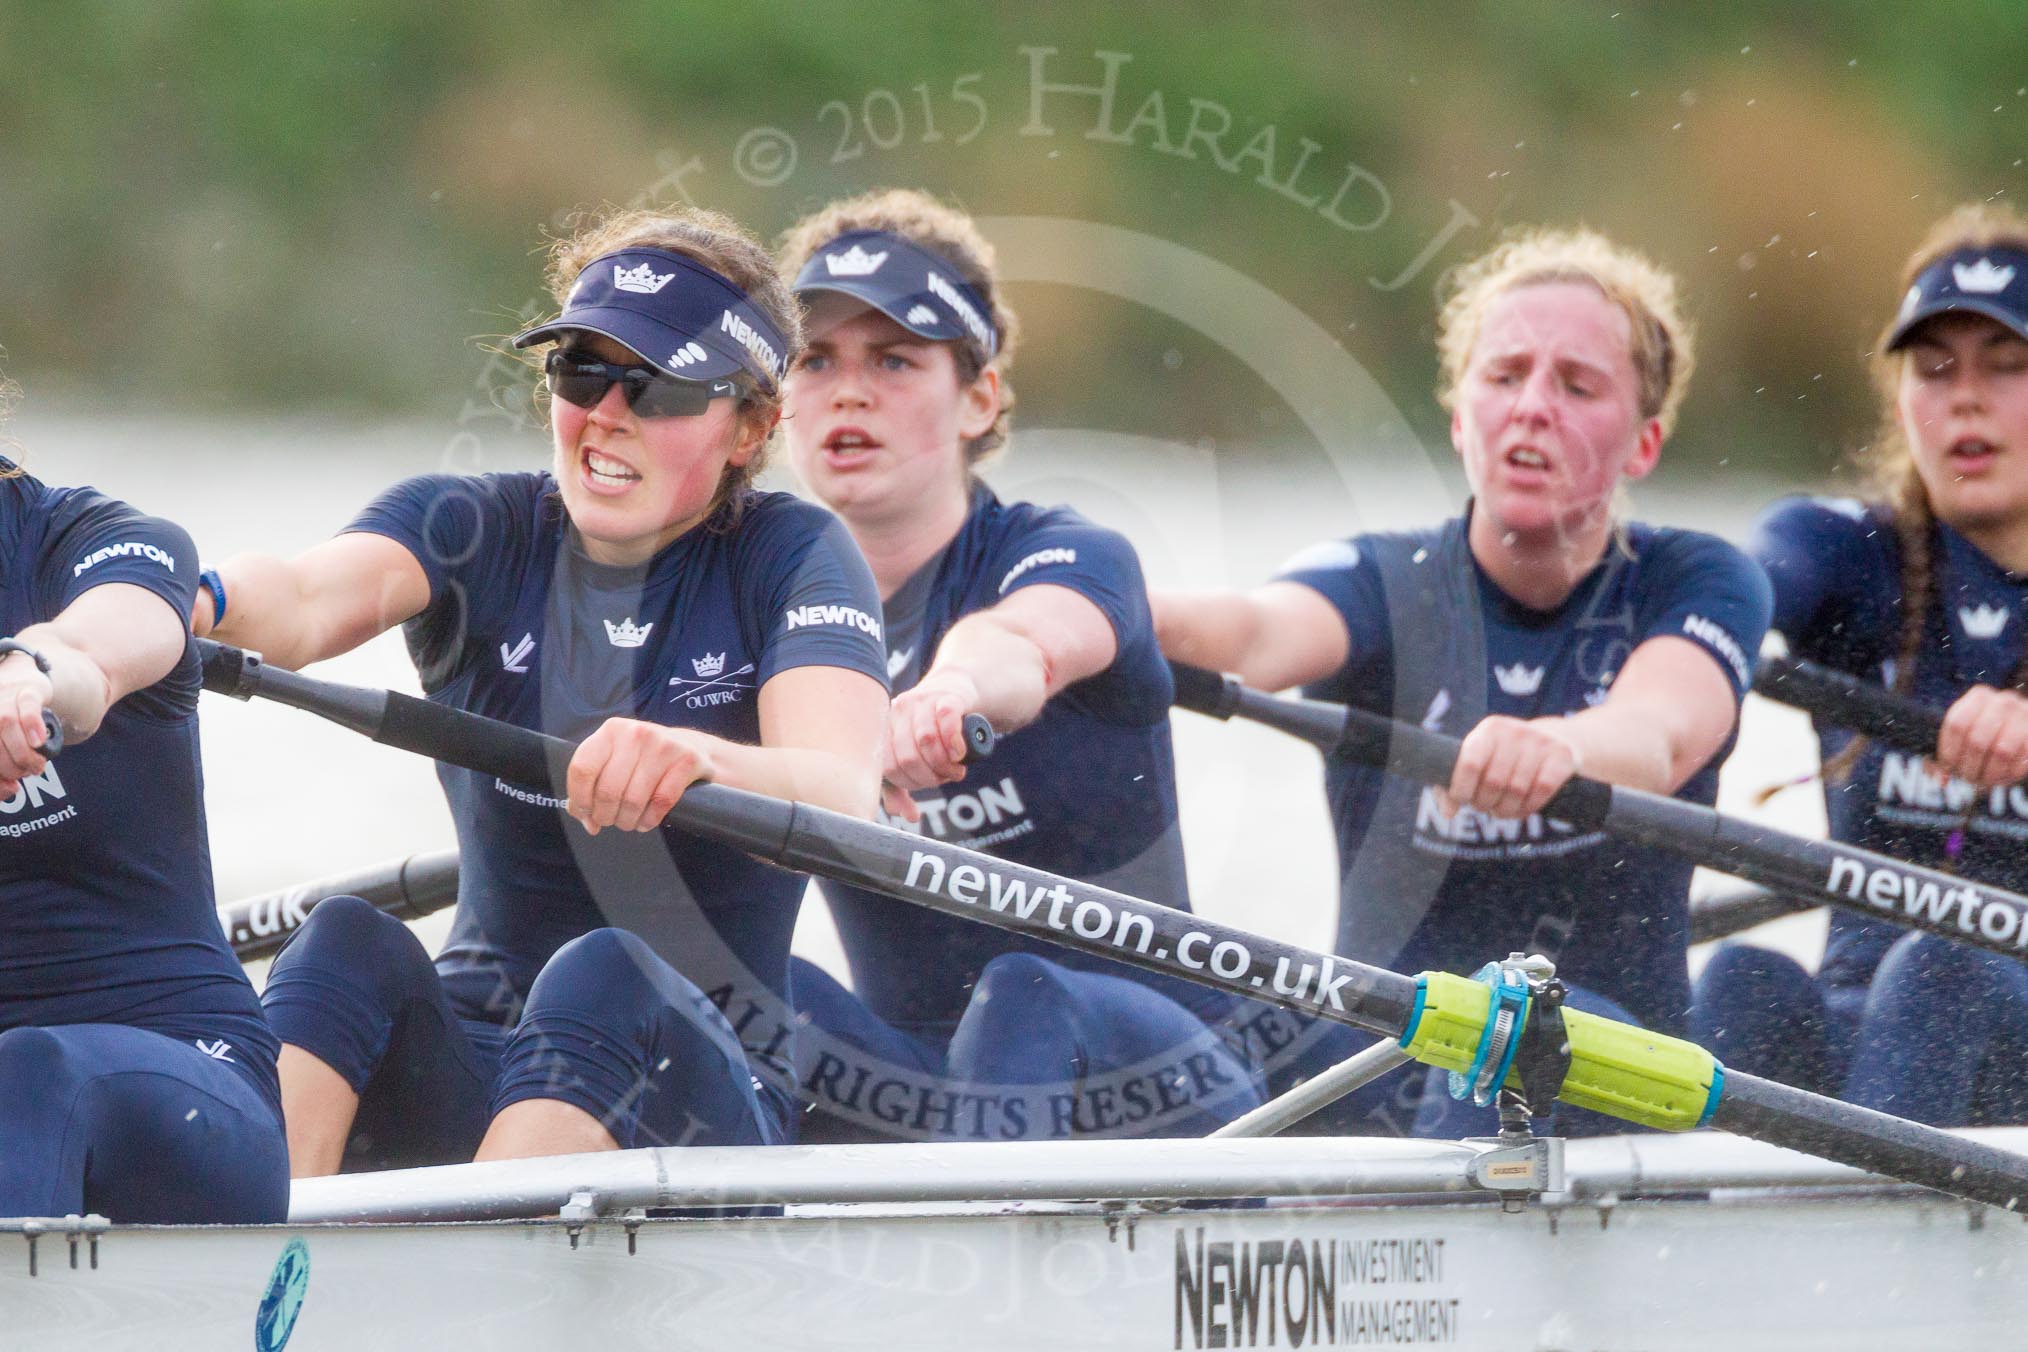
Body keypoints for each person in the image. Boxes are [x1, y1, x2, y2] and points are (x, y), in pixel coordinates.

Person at [196, 205, 889, 1175]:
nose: (608, 409)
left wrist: (699, 755)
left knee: (606, 972)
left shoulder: (794, 556)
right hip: (477, 1049)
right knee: (343, 941)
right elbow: (304, 599)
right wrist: (184, 594)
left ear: (751, 426)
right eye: (582, 369)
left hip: (697, 1087)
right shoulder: (475, 525)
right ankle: (235, 1260)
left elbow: (843, 789)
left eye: (656, 385)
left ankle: (473, 1287)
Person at [1156, 227, 1770, 1136]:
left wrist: (1559, 746)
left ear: (1643, 444)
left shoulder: (1699, 579)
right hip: (1382, 1067)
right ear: (1459, 417)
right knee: (1146, 1031)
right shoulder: (1382, 580)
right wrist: (1077, 608)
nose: (1532, 407)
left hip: (1602, 1073)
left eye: (1577, 385)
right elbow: (1250, 635)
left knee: (1502, 1024)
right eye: (1505, 375)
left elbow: (1660, 732)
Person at [777, 189, 1262, 1141]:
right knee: (735, 988)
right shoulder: (760, 617)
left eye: (895, 361)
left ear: (981, 398)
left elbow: (1020, 647)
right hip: (927, 1088)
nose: (849, 390)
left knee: (1022, 993)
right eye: (815, 359)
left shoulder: (1070, 555)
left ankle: (970, 1267)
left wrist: (946, 695)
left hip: (1164, 1085)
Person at [1694, 203, 2028, 1125]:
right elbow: (1738, 589)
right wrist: (1689, 644)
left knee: (1943, 966)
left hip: (2000, 1027)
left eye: (2008, 368)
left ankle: (1845, 1256)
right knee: (1741, 980)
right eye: (1934, 370)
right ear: (1901, 403)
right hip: (1869, 1029)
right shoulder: (1845, 553)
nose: (1966, 398)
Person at [0, 421, 289, 1220]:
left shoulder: (103, 545)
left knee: (27, 1073)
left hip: (189, 1080)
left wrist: (31, 679)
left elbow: (88, 657)